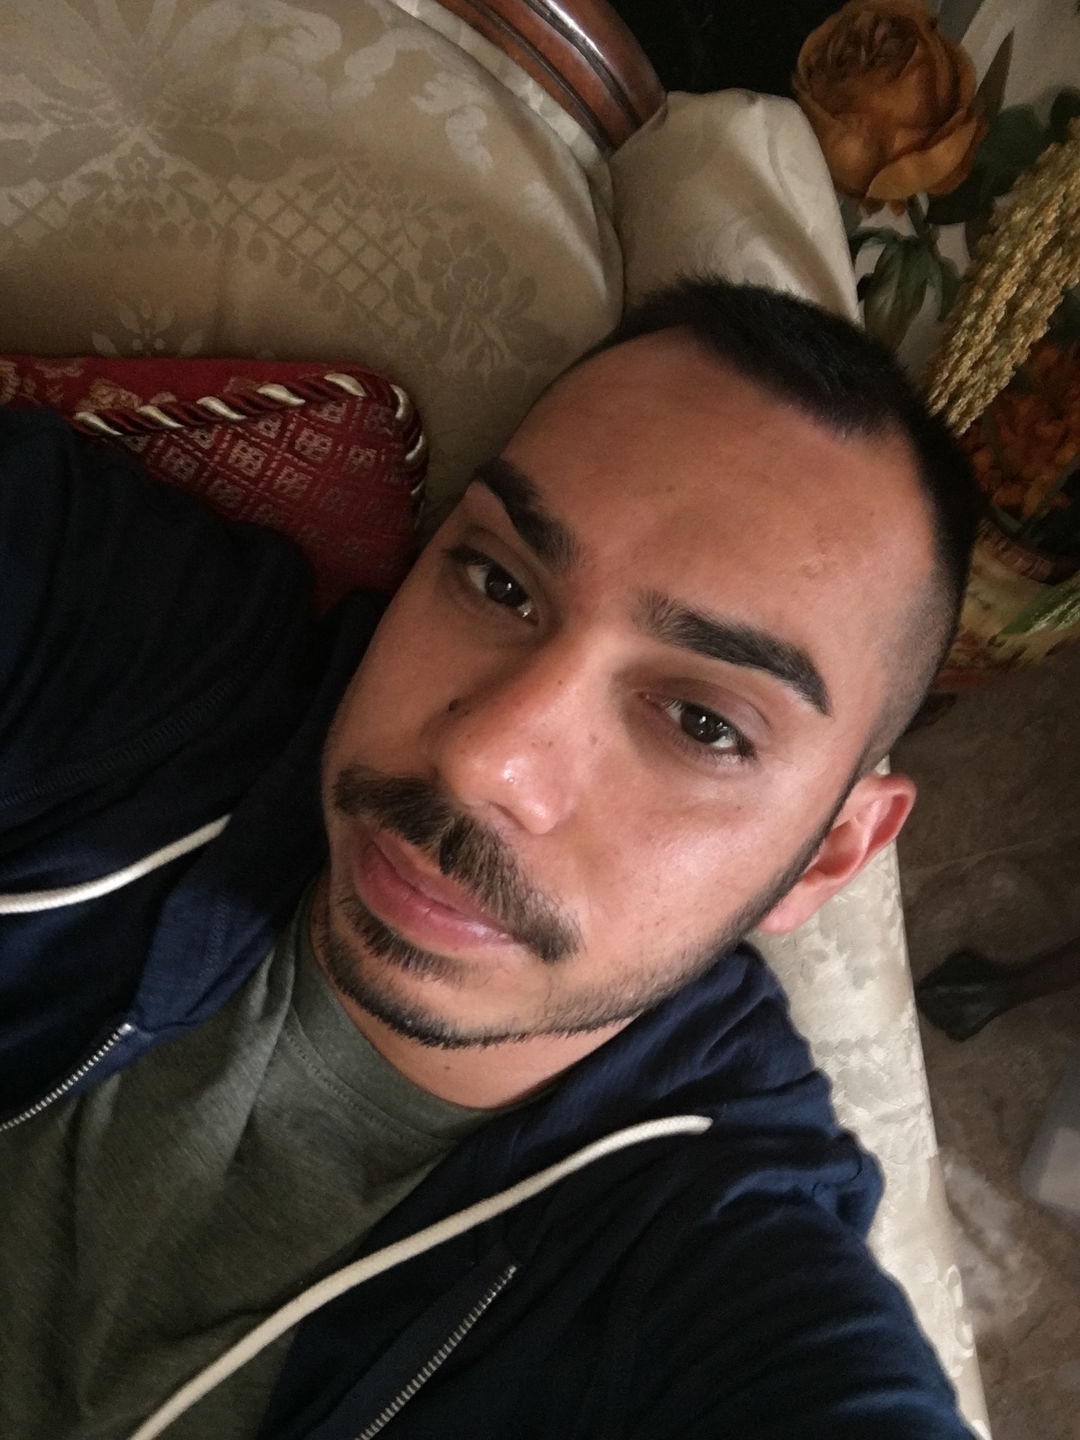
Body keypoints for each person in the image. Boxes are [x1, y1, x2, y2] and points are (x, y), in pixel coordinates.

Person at [0, 279, 981, 1440]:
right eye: (499, 582)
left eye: (703, 723)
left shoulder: (718, 1279)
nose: (483, 761)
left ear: (828, 858)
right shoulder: (145, 669)